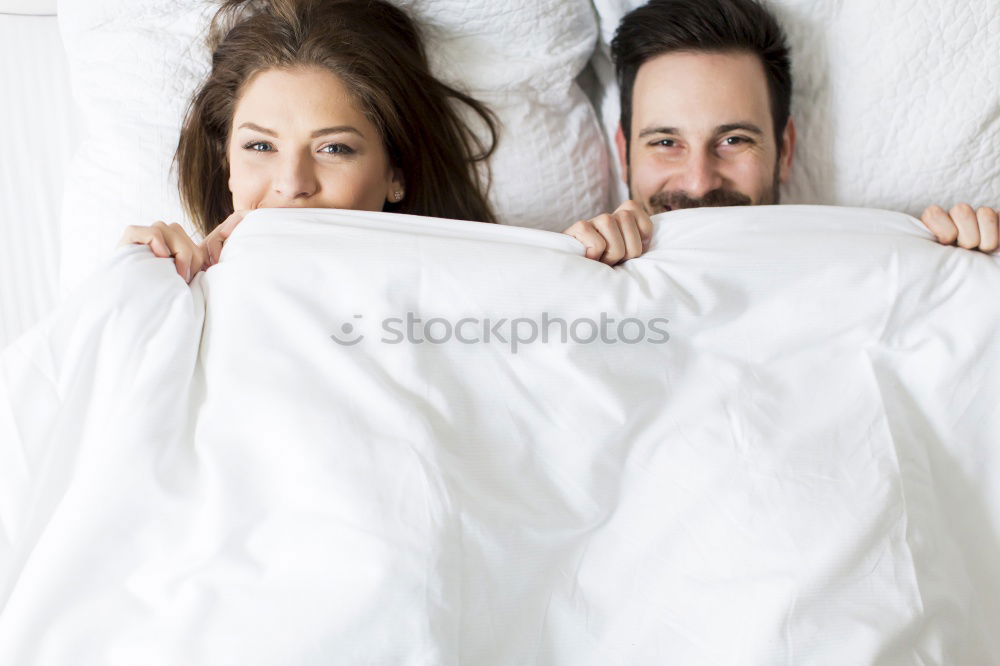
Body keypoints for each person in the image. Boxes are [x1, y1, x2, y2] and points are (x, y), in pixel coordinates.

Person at [563, 0, 998, 258]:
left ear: (785, 150)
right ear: (624, 155)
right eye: (665, 142)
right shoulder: (579, 283)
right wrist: (561, 269)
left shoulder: (885, 268)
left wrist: (969, 268)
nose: (698, 183)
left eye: (733, 140)